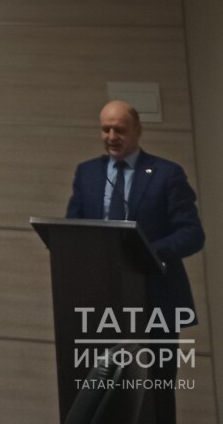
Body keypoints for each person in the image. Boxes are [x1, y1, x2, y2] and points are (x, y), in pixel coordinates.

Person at [66, 100, 205, 424]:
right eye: (105, 129)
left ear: (137, 131)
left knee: (157, 389)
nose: (111, 136)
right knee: (101, 391)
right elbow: (72, 230)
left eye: (119, 129)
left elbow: (192, 234)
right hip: (99, 301)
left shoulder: (166, 174)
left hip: (156, 299)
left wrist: (146, 251)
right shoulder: (87, 173)